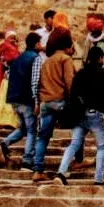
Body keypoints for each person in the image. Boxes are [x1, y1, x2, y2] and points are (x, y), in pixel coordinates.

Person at [57, 44, 104, 185]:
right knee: (101, 146)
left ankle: (60, 173)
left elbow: (73, 94)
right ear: (100, 58)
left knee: (74, 144)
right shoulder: (103, 73)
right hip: (96, 114)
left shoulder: (80, 73)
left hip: (80, 115)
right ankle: (98, 179)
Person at [30, 29, 74, 181]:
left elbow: (39, 82)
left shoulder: (47, 61)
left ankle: (37, 170)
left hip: (45, 102)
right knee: (80, 128)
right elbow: (69, 82)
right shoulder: (65, 59)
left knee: (43, 137)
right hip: (60, 100)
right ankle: (77, 161)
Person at [0, 32, 41, 169]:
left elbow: (10, 75)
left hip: (14, 98)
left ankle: (3, 144)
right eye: (40, 43)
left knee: (23, 129)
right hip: (27, 99)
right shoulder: (36, 58)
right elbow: (35, 81)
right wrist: (36, 101)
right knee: (32, 130)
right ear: (36, 44)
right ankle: (27, 160)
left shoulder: (19, 57)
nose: (41, 45)